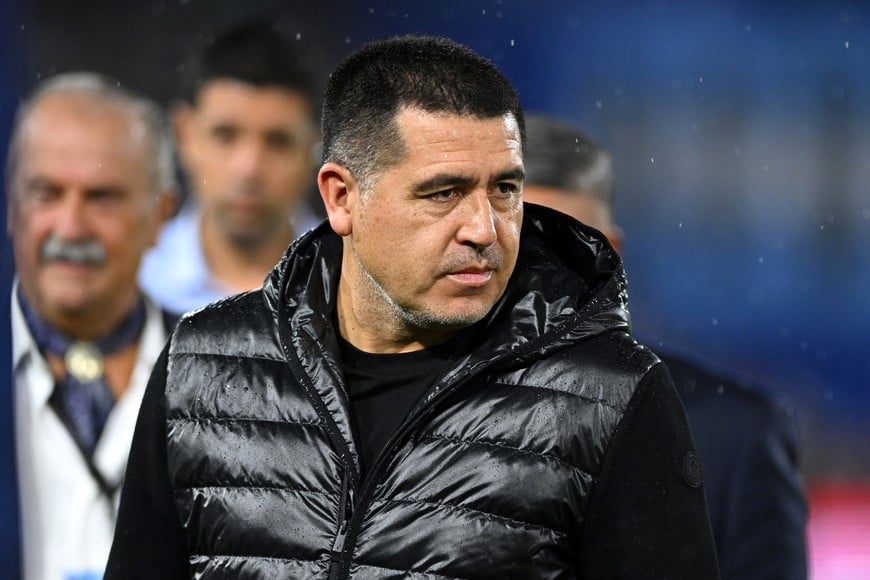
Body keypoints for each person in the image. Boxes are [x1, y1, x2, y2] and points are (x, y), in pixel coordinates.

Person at [107, 36, 719, 579]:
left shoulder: (611, 396)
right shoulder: (201, 364)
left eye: (504, 189)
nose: (483, 228)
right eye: (444, 192)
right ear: (342, 198)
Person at [522, 113, 809, 580]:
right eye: (521, 247)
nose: (542, 272)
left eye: (571, 245)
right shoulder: (413, 405)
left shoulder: (734, 436)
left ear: (612, 252)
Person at [5, 72, 178, 580]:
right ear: (12, 207)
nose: (71, 227)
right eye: (46, 194)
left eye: (101, 198)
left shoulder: (226, 378)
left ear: (160, 215)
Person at [138, 19, 324, 314]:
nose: (249, 168)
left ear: (315, 147)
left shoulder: (354, 287)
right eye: (225, 136)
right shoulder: (135, 283)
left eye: (278, 142)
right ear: (184, 134)